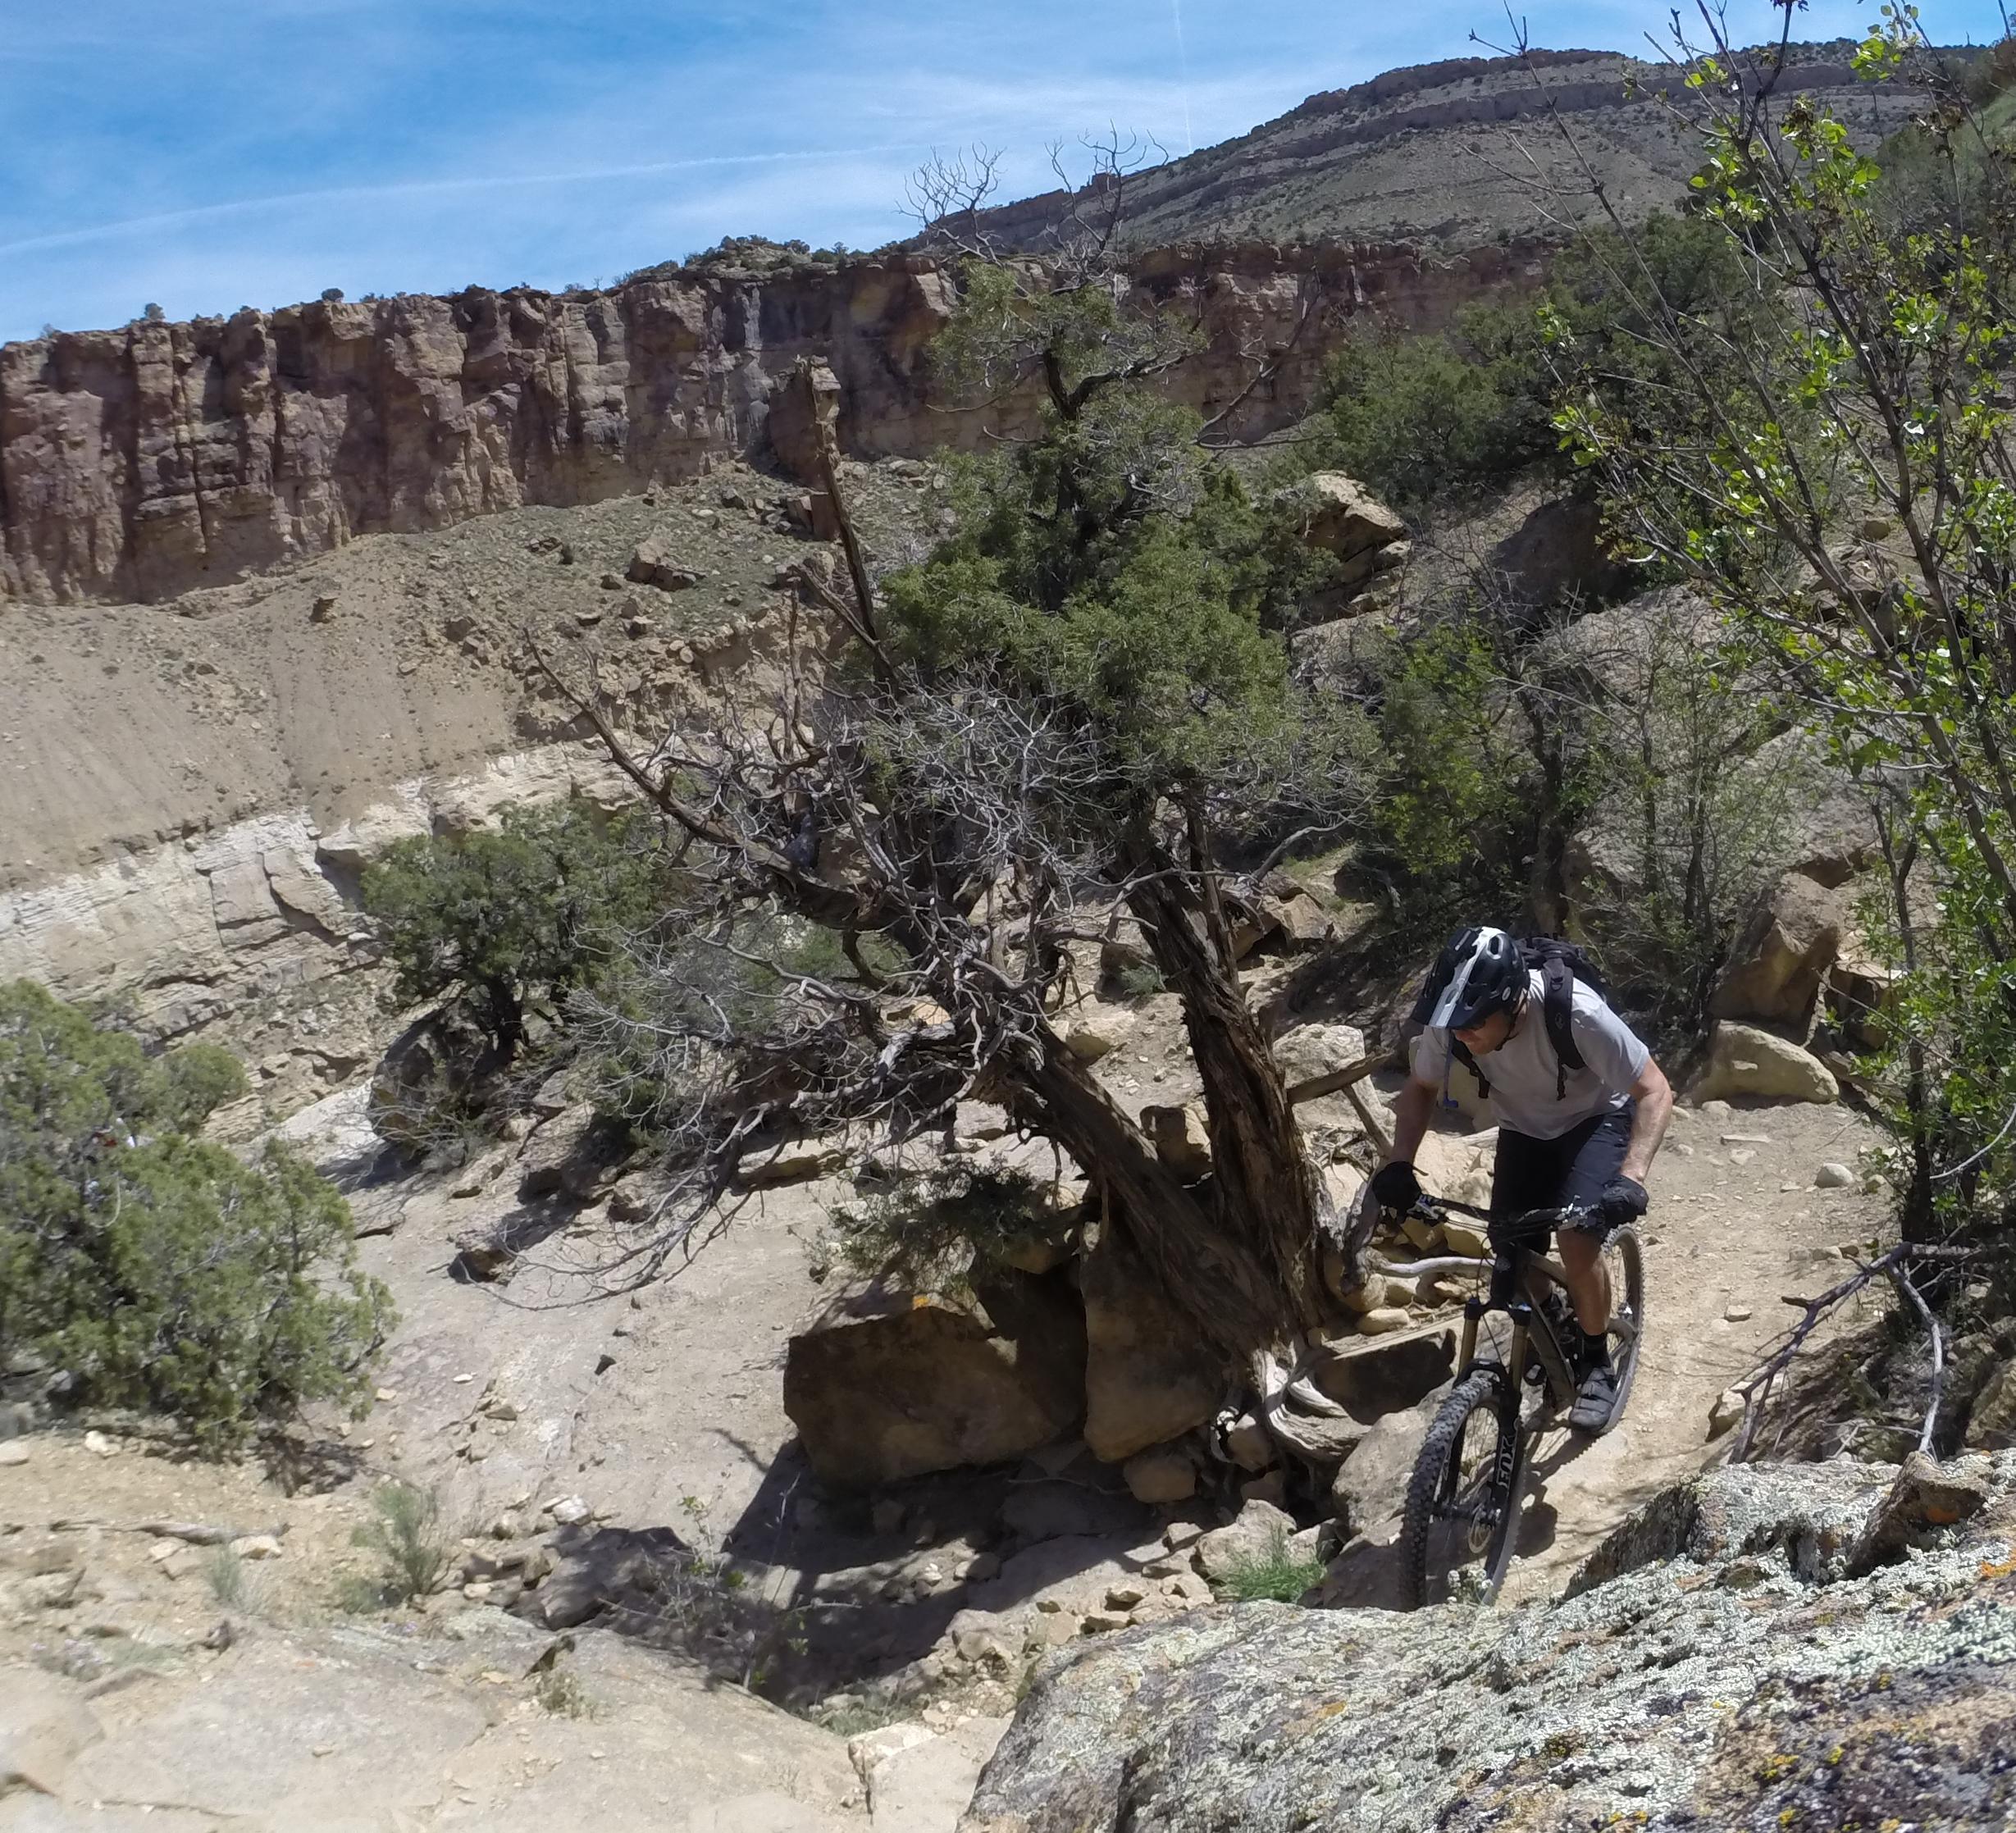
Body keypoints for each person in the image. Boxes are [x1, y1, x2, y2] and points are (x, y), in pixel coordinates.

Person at [1371, 926, 1673, 1432]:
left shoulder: (1576, 1013)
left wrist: (1632, 1178)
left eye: (1474, 1021)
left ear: (1512, 1002)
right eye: (1455, 1021)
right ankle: (1558, 1320)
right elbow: (1419, 1089)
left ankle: (1597, 1361)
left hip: (1596, 1120)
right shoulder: (1451, 1026)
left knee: (1577, 1241)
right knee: (1510, 1256)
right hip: (1524, 1131)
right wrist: (1399, 1164)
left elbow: (1655, 1090)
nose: (1462, 1032)